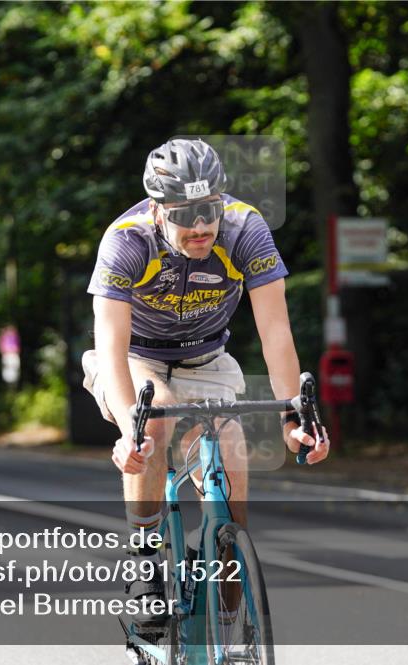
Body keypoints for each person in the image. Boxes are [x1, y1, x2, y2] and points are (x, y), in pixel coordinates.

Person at [82, 138, 330, 630]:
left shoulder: (245, 228)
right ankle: (145, 558)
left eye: (209, 208)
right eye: (186, 213)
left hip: (207, 359)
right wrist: (130, 428)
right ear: (158, 209)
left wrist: (291, 419)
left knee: (231, 468)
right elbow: (110, 341)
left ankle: (219, 566)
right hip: (135, 359)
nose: (200, 226)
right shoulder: (127, 240)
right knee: (155, 423)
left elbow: (275, 331)